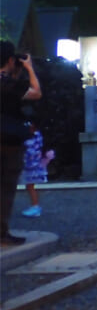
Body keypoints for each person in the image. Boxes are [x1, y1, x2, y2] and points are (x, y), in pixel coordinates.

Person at [1, 42, 42, 245]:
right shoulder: (9, 84)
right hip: (8, 141)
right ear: (10, 60)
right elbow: (36, 92)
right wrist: (29, 68)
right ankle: (1, 232)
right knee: (6, 188)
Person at [20, 123, 53, 217]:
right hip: (32, 164)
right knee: (29, 186)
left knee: (30, 186)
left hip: (32, 165)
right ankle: (35, 206)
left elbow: (31, 150)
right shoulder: (37, 135)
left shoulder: (34, 137)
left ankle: (35, 206)